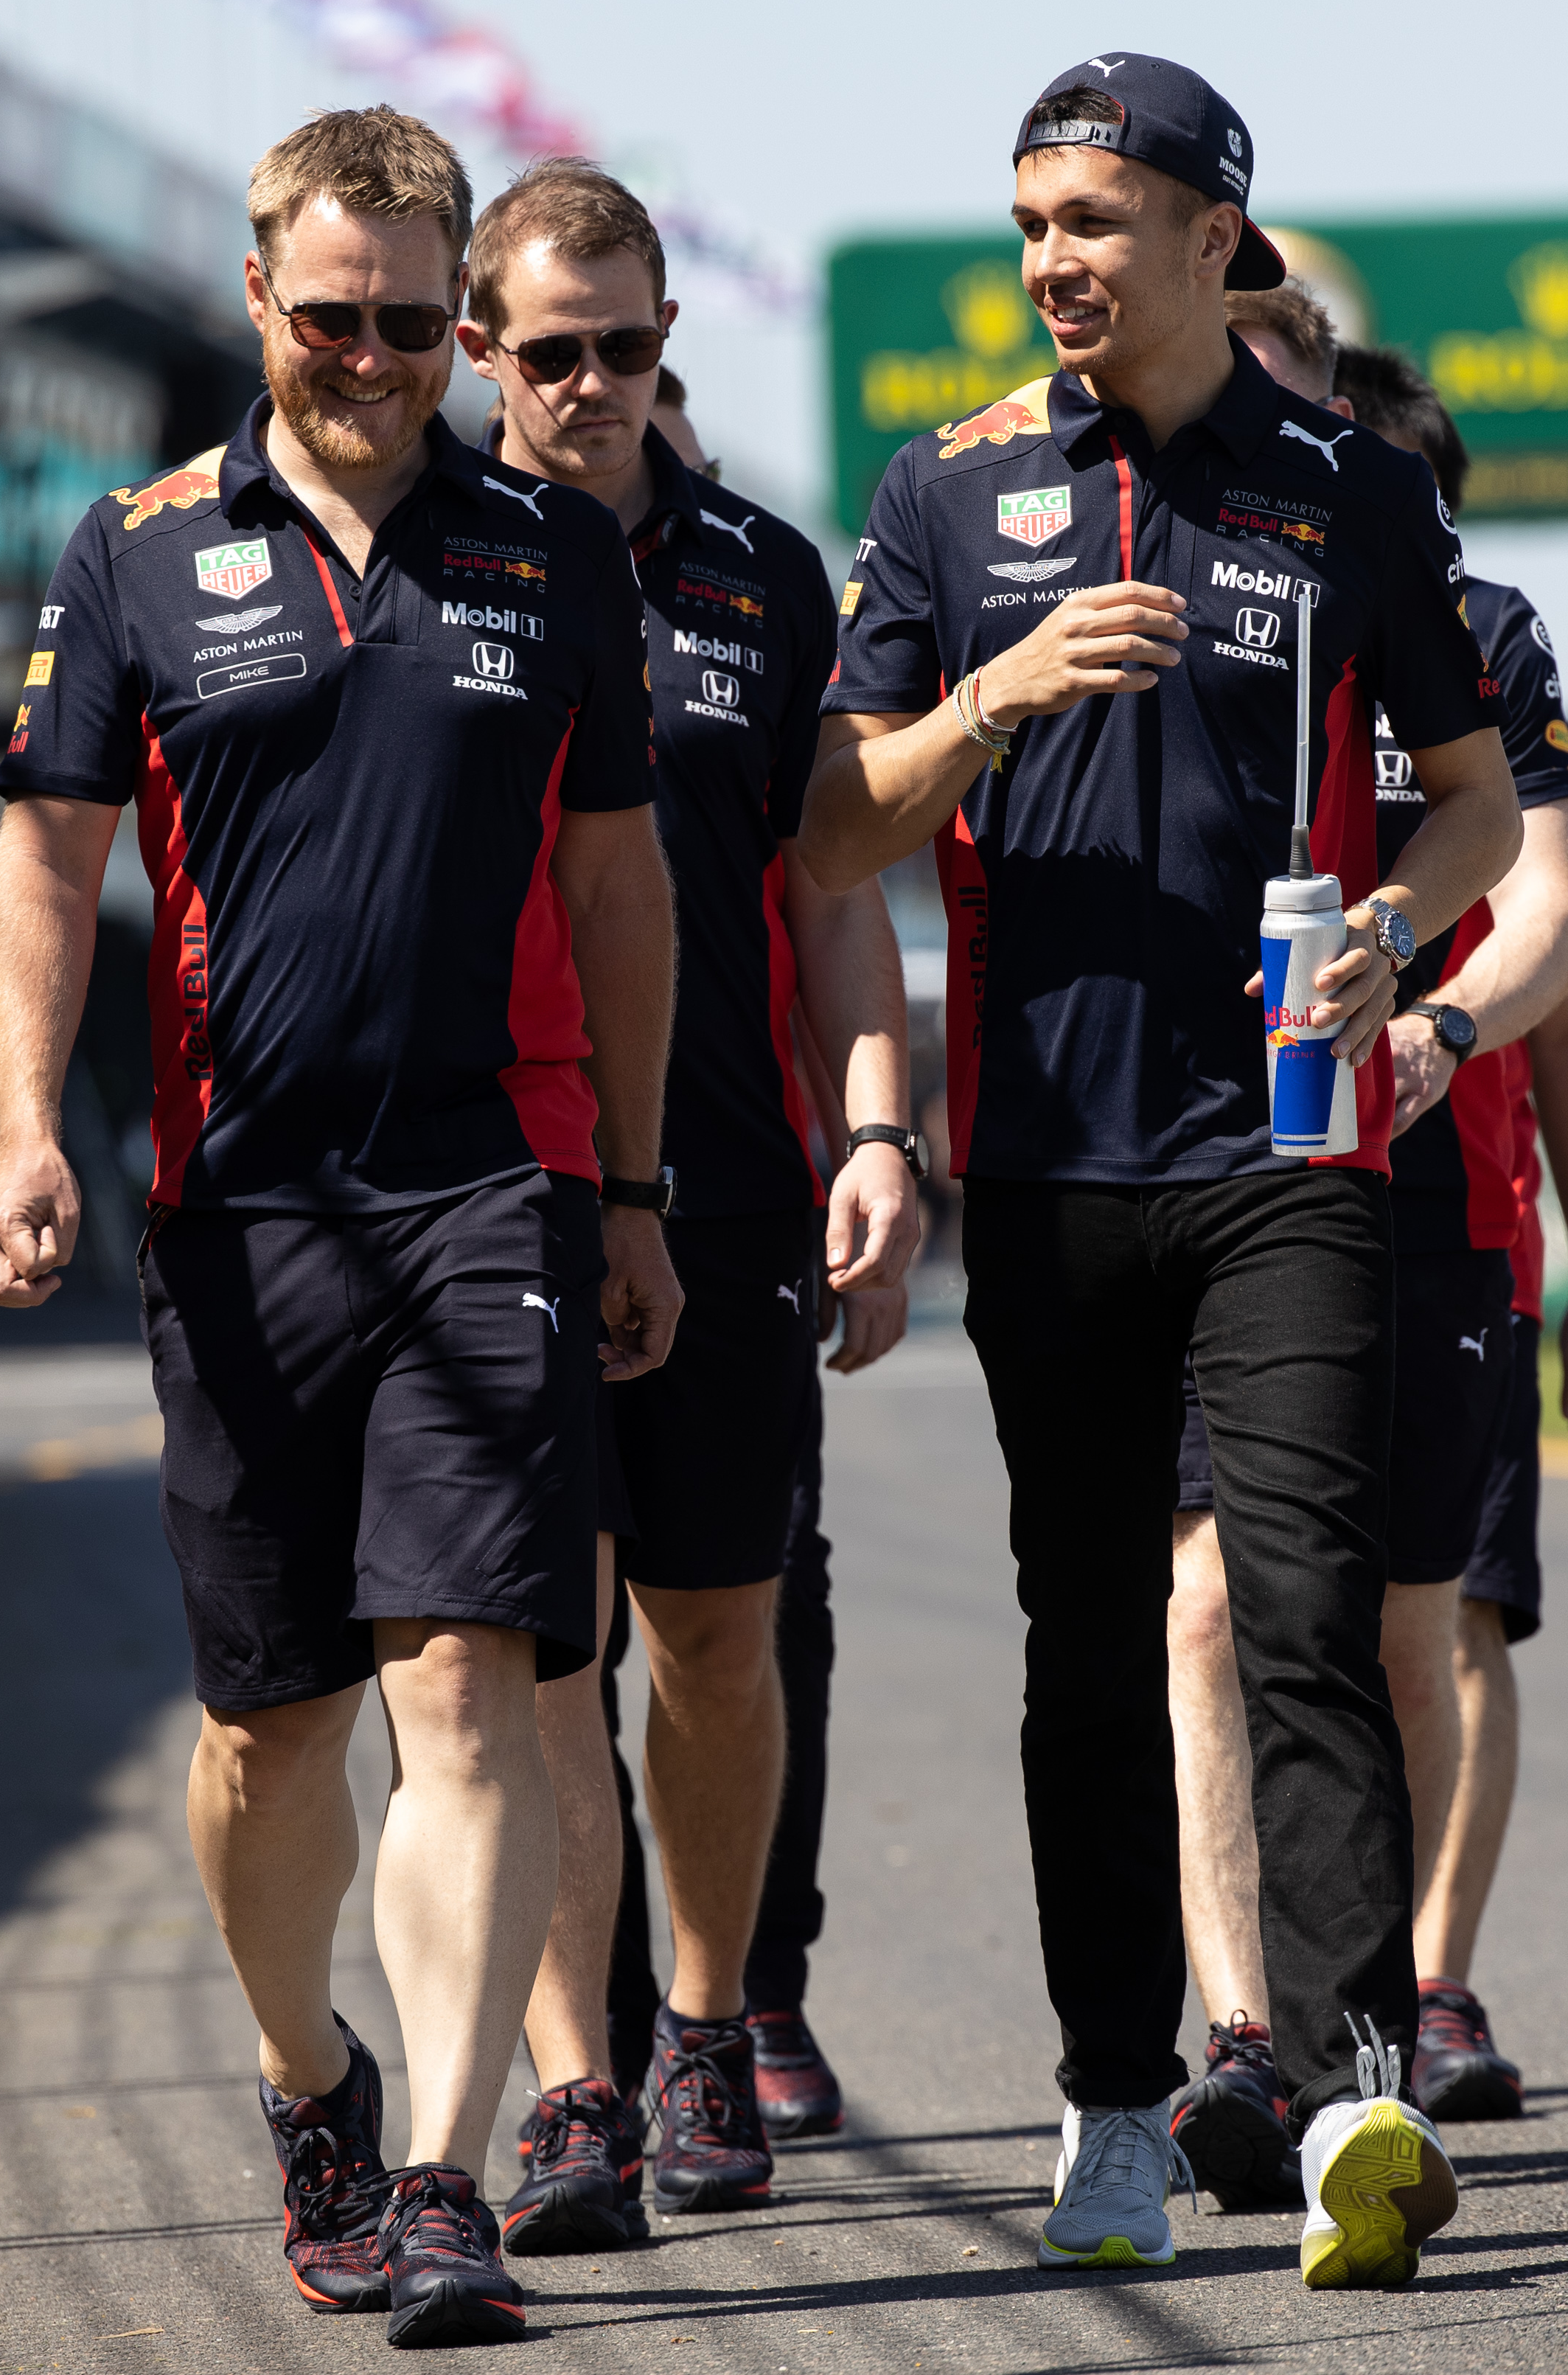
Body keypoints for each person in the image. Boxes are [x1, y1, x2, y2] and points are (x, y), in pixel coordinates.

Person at [801, 54, 1519, 2287]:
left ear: (1218, 238)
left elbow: (1479, 807)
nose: (1051, 263)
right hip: (1048, 1166)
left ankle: (1346, 2100)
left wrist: (1390, 939)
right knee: (1090, 1649)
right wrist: (998, 694)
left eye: (1094, 222)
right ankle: (1117, 2103)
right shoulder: (944, 497)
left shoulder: (1346, 489)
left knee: (1305, 1608)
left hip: (1294, 1149)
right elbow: (834, 825)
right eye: (1030, 224)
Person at [0, 105, 679, 2350]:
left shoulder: (556, 558)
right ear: (259, 293)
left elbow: (618, 885)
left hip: (492, 1189)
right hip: (238, 1207)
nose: (371, 355)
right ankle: (316, 2081)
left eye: (410, 321)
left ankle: (451, 2179)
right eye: (331, 314)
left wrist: (637, 1187)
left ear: (462, 318)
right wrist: (26, 1134)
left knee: (467, 1688)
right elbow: (43, 856)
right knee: (270, 1739)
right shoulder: (134, 552)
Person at [452, 159, 921, 2248]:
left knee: (718, 1636)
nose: (591, 388)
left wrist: (882, 1136)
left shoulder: (759, 571)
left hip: (730, 1181)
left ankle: (710, 2026)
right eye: (551, 355)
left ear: (666, 350)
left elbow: (831, 888)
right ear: (484, 353)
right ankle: (576, 2083)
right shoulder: (426, 560)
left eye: (627, 350)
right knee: (543, 1650)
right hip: (490, 1183)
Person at [1157, 327, 1568, 2195]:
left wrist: (1436, 1033)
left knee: (1414, 1627)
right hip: (1219, 1161)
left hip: (1428, 1180)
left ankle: (1404, 1994)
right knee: (1201, 1605)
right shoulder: (1137, 580)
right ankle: (1243, 2035)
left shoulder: (1477, 632)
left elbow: (1558, 927)